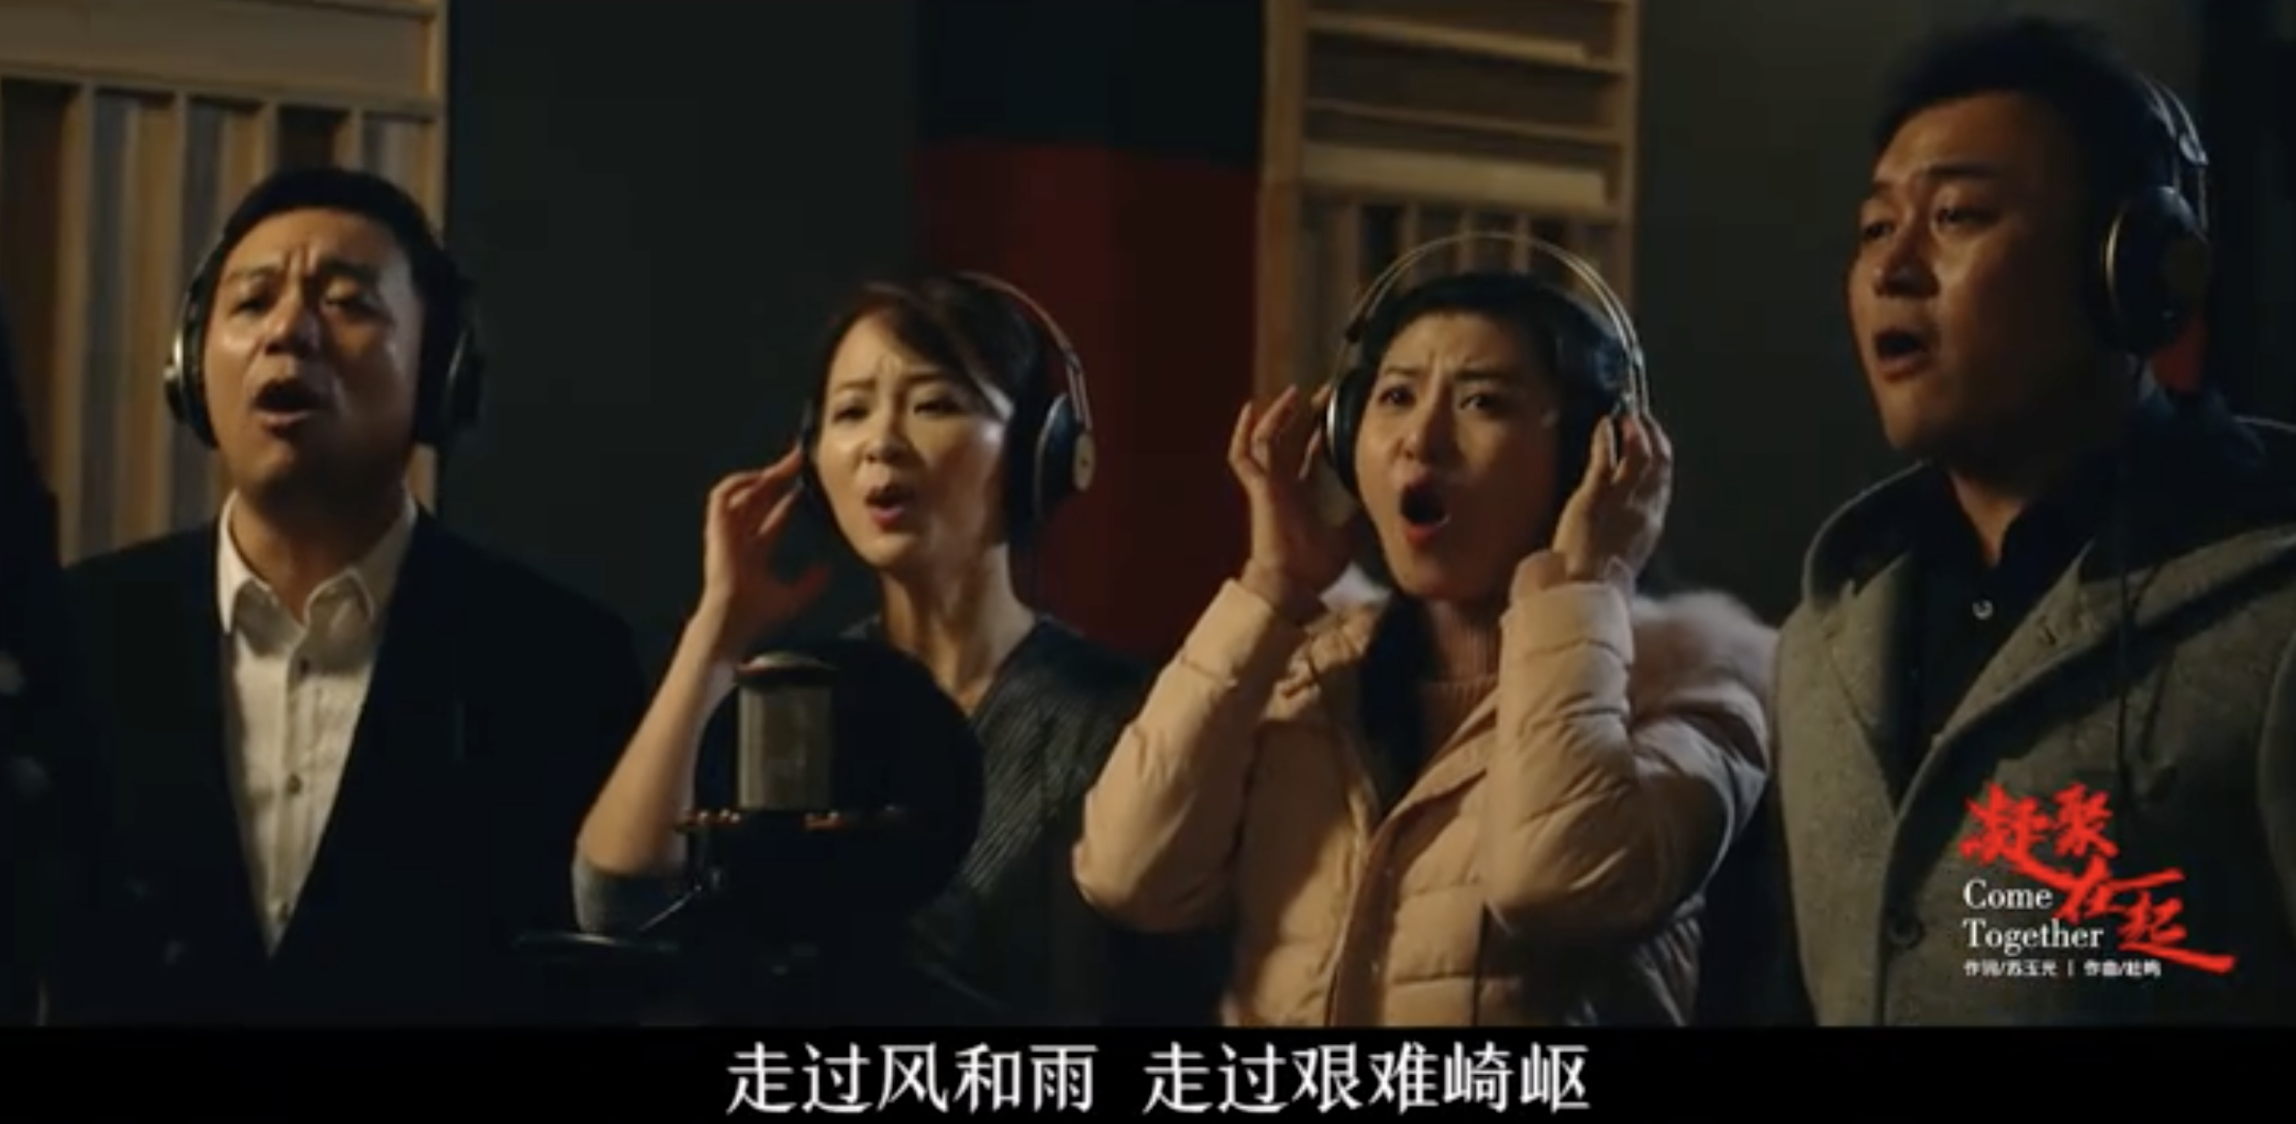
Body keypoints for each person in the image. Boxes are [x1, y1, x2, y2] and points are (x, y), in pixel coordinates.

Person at [1757, 18, 2296, 1025]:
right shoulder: (1818, 646)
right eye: (1874, 228)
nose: (1892, 268)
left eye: (1956, 215)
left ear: (2132, 267)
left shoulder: (2272, 619)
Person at [1072, 268, 1776, 1026]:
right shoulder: (1307, 674)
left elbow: (1552, 882)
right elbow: (1127, 872)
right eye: (1397, 396)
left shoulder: (1692, 694)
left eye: (1484, 402)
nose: (1422, 440)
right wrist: (1273, 587)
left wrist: (1581, 584)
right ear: (1346, 435)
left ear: (1589, 455)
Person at [49, 167, 647, 1024]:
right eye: (252, 302)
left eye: (347, 303)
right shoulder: (74, 634)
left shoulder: (557, 659)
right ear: (189, 367)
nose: (288, 331)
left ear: (439, 369)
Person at [573, 272, 1218, 1025]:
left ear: (1040, 450)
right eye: (851, 412)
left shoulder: (1121, 716)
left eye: (934, 404)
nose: (881, 443)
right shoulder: (798, 704)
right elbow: (615, 905)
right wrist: (718, 630)